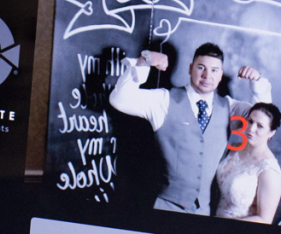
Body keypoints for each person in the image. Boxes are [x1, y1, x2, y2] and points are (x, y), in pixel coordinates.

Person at [109, 42, 272, 215]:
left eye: (214, 70)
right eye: (201, 68)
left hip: (203, 210)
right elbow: (119, 100)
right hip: (164, 207)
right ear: (190, 68)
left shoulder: (230, 108)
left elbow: (265, 118)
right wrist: (143, 62)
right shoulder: (164, 100)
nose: (207, 75)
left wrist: (257, 82)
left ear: (220, 75)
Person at [216, 102, 281, 223]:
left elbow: (264, 220)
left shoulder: (269, 170)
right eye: (250, 121)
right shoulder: (234, 149)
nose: (251, 129)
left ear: (271, 133)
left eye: (260, 126)